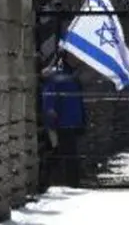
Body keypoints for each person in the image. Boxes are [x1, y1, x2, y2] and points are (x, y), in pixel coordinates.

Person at [41, 53, 86, 187]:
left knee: (63, 153)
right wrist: (51, 118)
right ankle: (71, 182)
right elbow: (49, 98)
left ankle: (51, 180)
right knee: (67, 155)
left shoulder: (70, 76)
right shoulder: (58, 76)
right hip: (63, 122)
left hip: (70, 121)